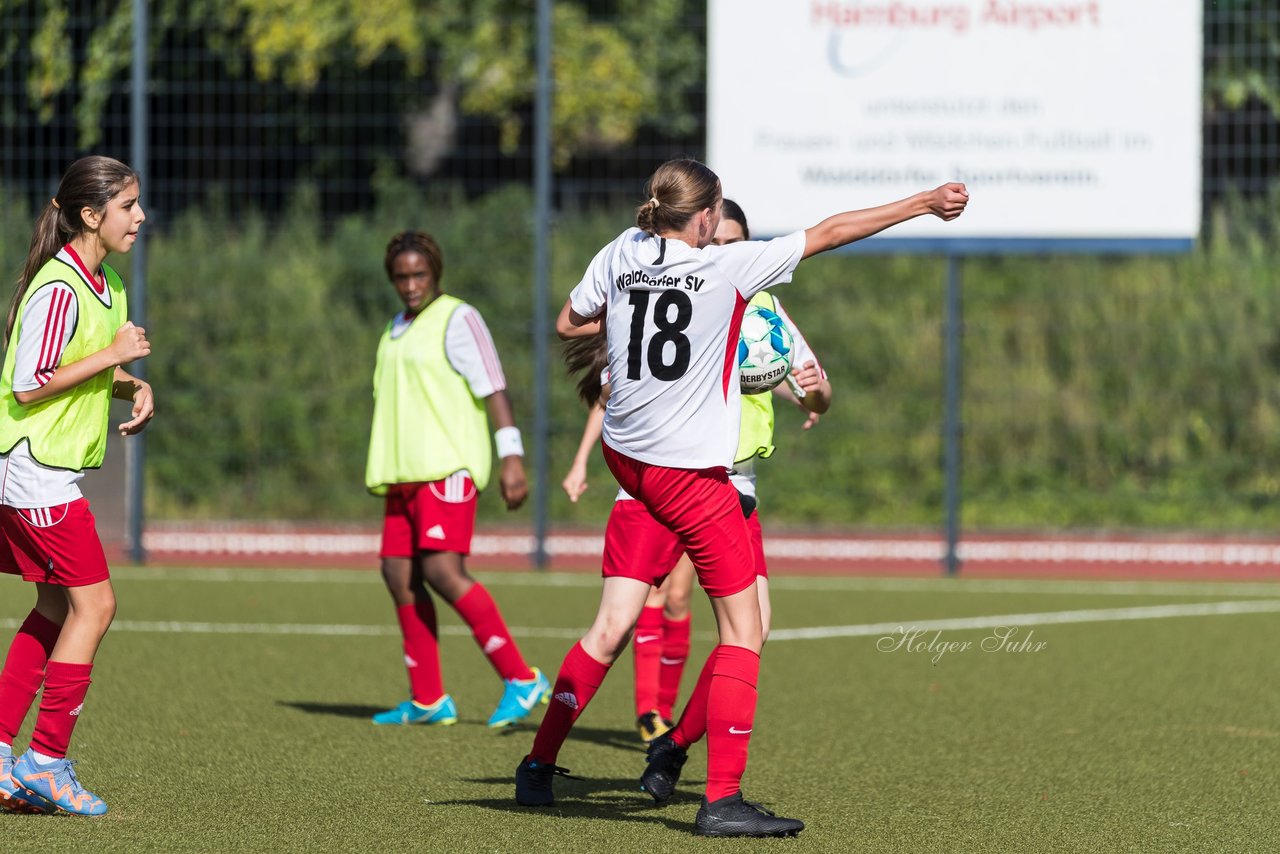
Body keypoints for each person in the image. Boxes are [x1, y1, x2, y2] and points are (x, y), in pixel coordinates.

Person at [517, 159, 967, 838]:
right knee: (746, 629)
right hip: (688, 477)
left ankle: (540, 766)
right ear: (705, 217)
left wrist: (633, 325)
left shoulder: (623, 250)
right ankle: (720, 798)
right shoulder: (728, 270)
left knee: (612, 628)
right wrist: (925, 203)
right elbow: (833, 230)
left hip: (627, 461)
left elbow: (567, 323)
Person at [558, 199, 832, 746]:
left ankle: (671, 743)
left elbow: (813, 392)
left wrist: (812, 389)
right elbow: (614, 386)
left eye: (737, 245)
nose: (725, 251)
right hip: (682, 477)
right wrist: (582, 457)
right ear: (703, 233)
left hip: (734, 484)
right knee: (630, 620)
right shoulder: (686, 290)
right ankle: (644, 724)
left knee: (738, 627)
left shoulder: (766, 312)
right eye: (719, 241)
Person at [0, 155, 154, 817]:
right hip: (34, 472)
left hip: (45, 472)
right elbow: (29, 381)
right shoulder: (59, 286)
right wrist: (116, 357)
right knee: (96, 607)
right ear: (91, 215)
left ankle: (4, 755)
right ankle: (46, 761)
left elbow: (78, 367)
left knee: (57, 610)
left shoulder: (108, 284)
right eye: (127, 206)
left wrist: (133, 385)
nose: (140, 217)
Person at [364, 230, 549, 729]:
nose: (410, 284)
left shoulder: (459, 318)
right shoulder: (395, 329)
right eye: (401, 276)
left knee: (443, 572)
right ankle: (428, 699)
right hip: (403, 473)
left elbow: (494, 388)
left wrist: (512, 457)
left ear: (435, 272)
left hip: (446, 469)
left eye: (419, 274)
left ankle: (521, 678)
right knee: (397, 576)